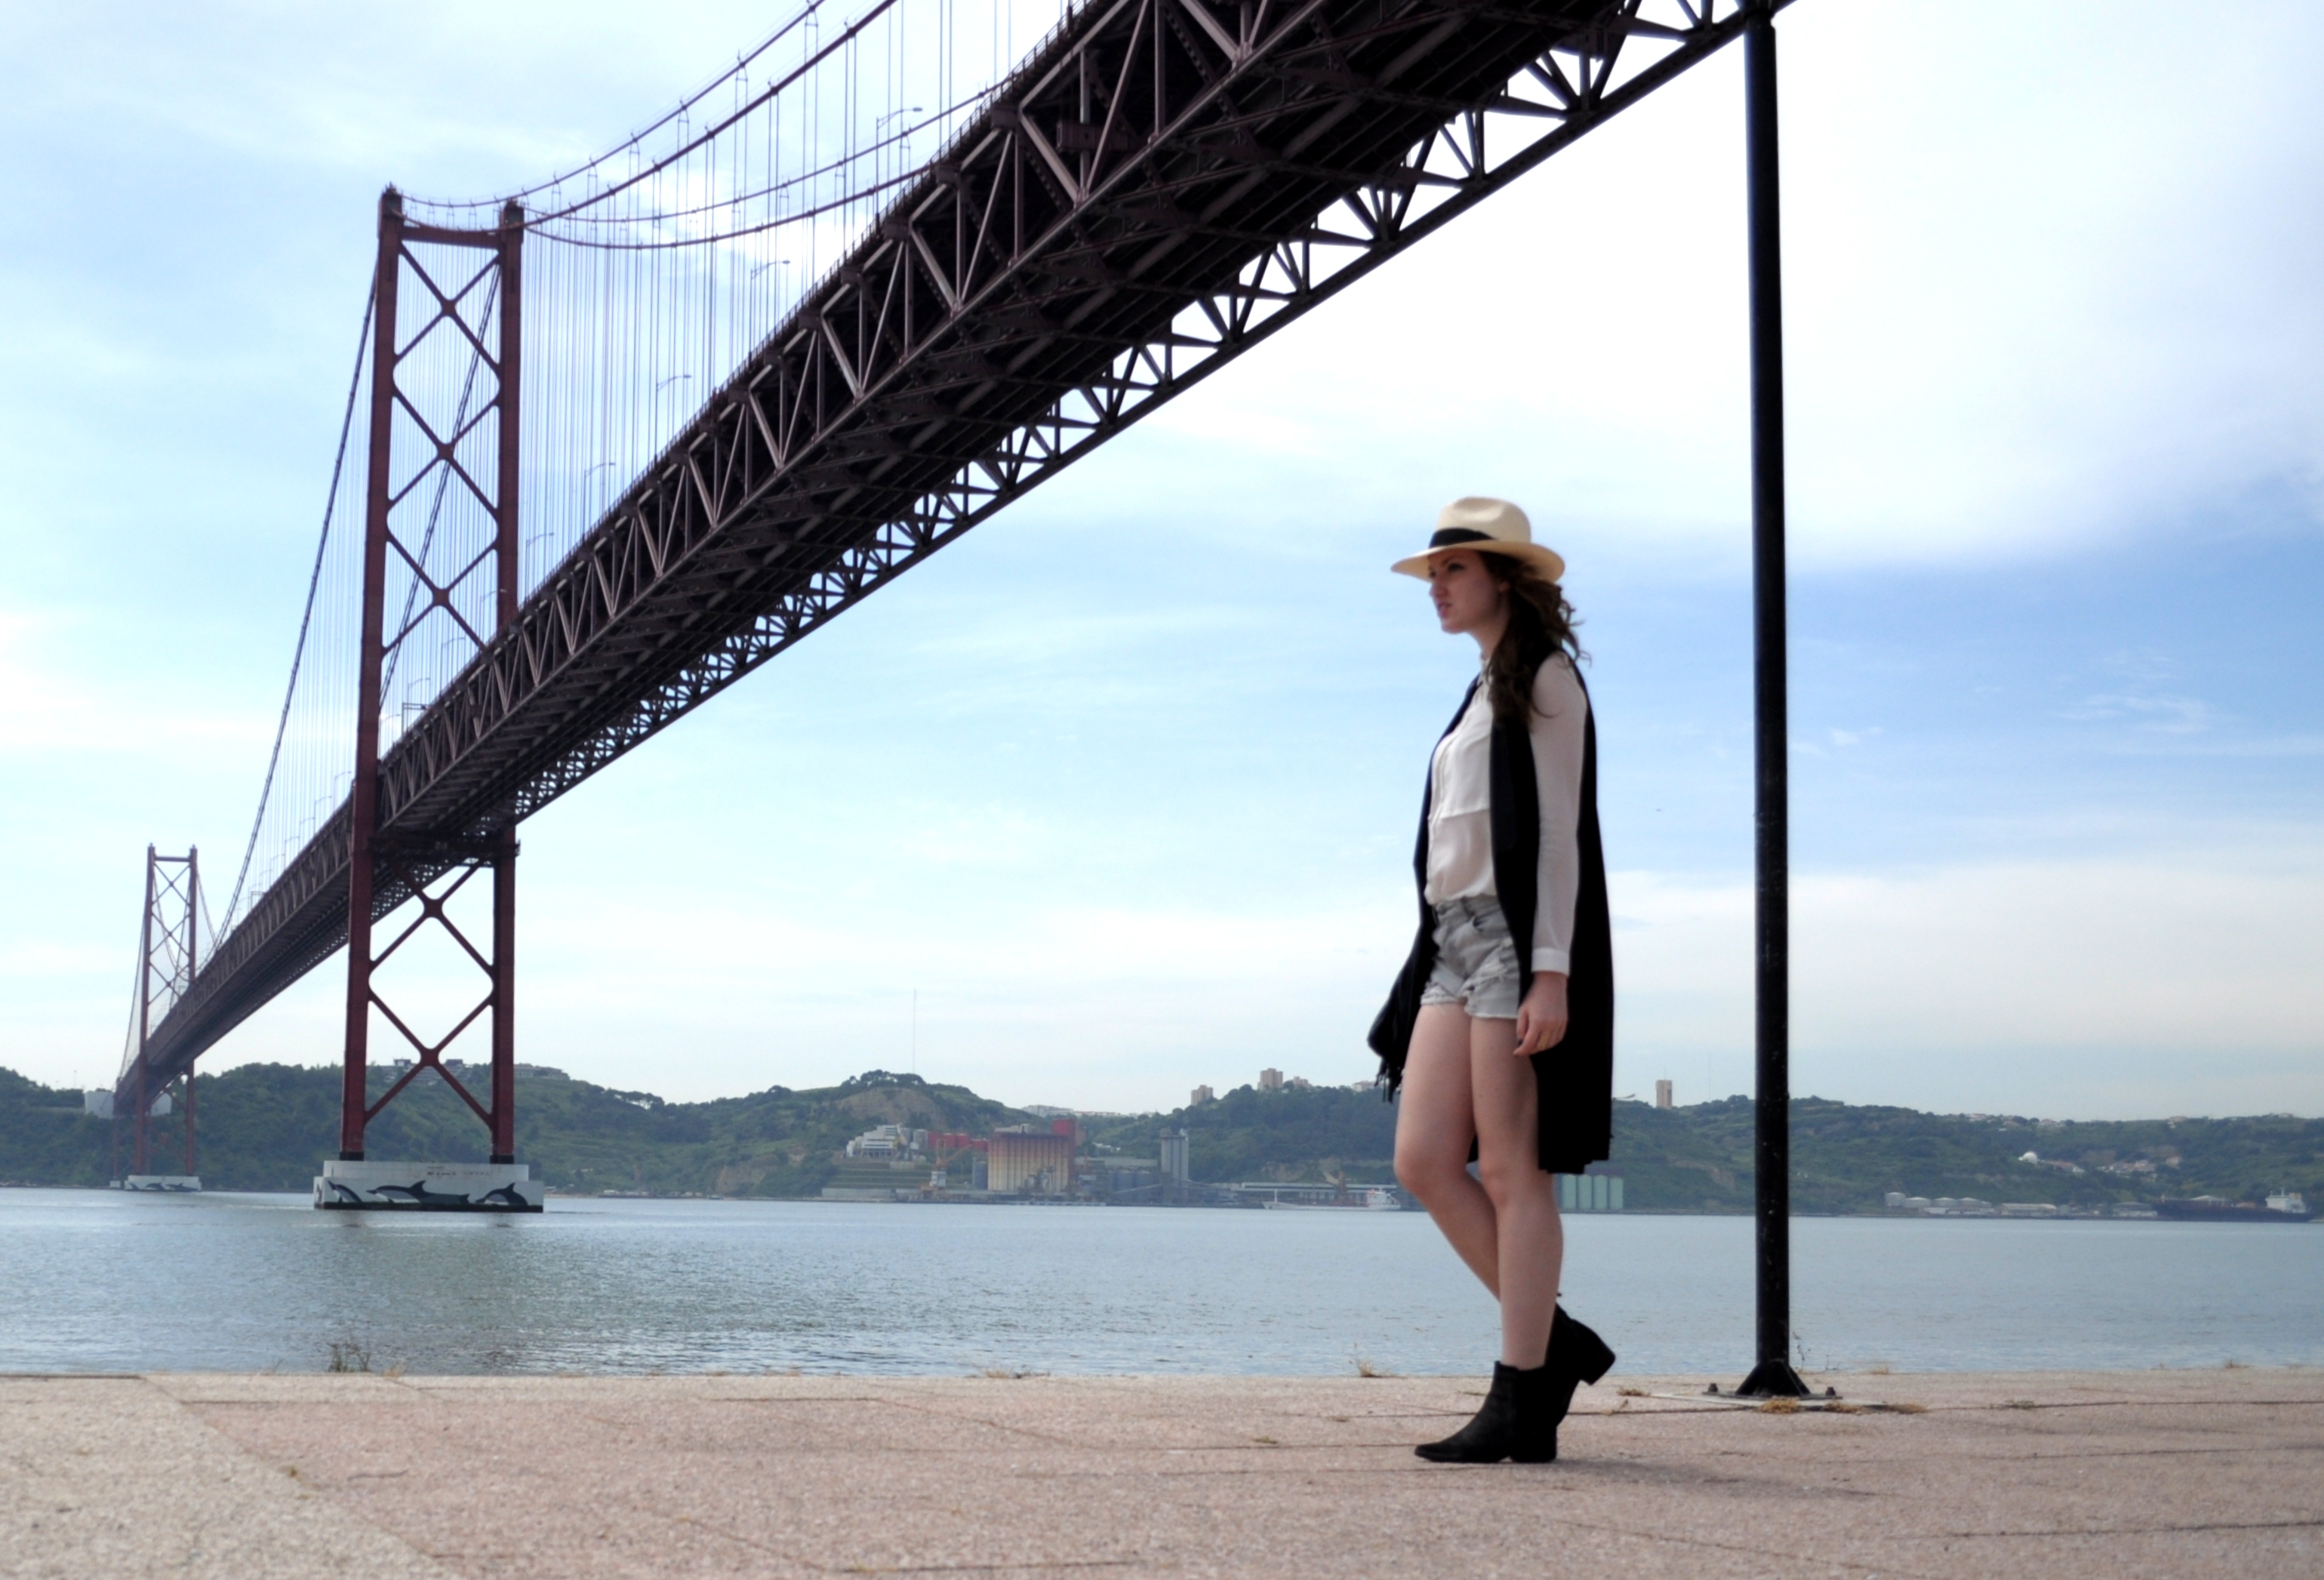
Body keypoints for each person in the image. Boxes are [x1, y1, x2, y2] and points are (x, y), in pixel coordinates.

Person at [1370, 497, 1618, 1464]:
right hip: (1450, 940)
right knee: (1424, 1160)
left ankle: (1521, 1395)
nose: (1435, 587)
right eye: (1433, 573)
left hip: (1516, 942)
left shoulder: (1547, 677)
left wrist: (1551, 972)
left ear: (1505, 578)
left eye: (1454, 570)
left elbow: (1558, 838)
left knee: (1515, 1170)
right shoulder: (1478, 689)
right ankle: (1556, 1344)